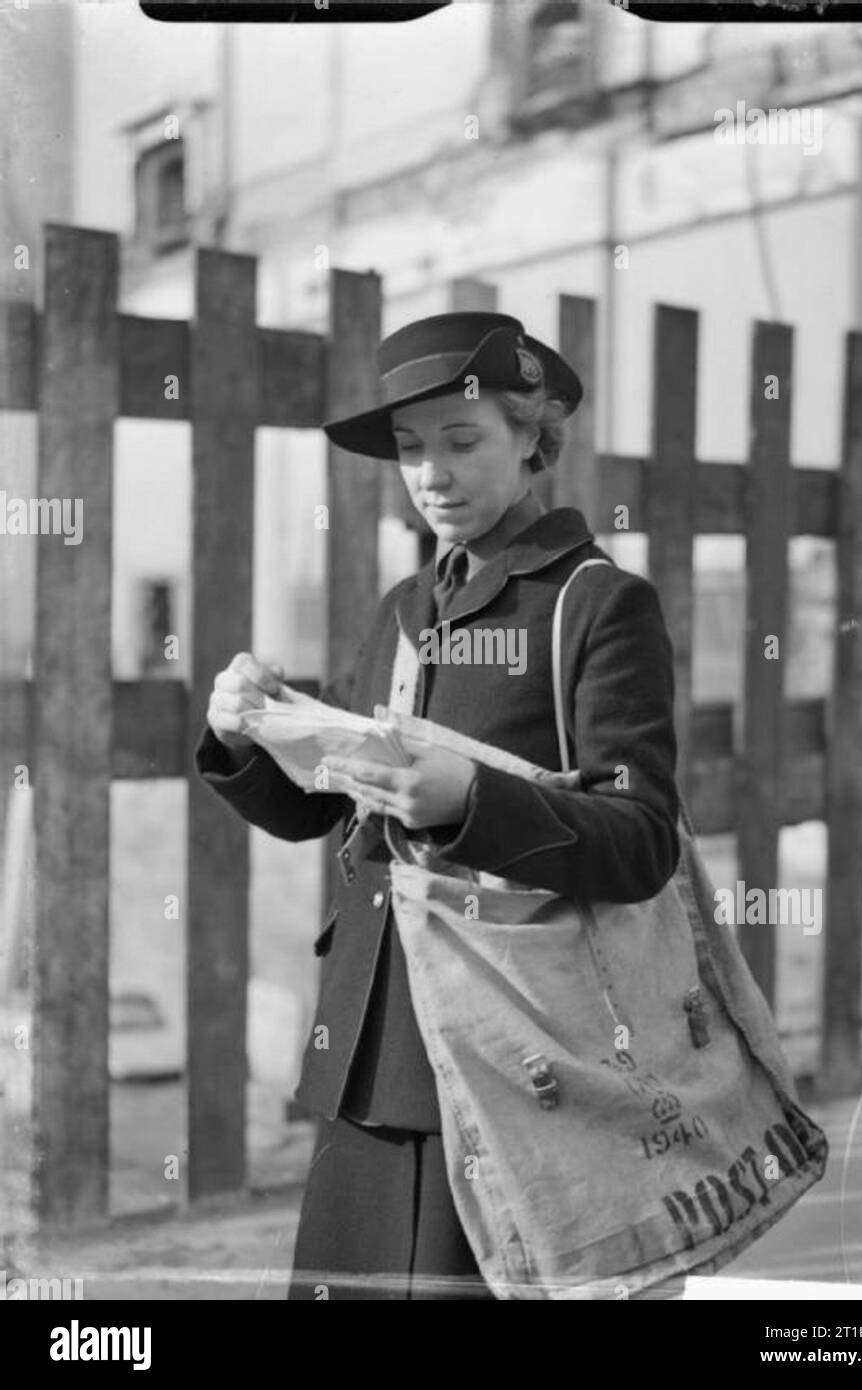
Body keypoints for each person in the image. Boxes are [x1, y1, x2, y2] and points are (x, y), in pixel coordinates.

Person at [195, 311, 682, 1300]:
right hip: (371, 1064)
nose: (432, 474)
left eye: (462, 442)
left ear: (531, 438)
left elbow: (641, 843)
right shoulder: (404, 609)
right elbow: (330, 816)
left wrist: (472, 802)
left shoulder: (595, 604)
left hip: (511, 1064)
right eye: (412, 450)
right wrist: (249, 739)